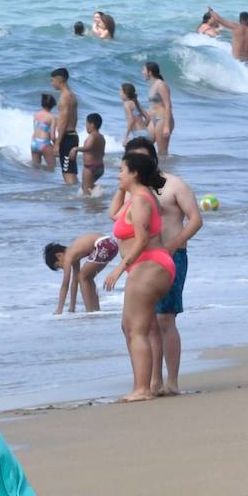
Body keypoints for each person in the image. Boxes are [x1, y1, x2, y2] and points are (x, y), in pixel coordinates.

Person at [125, 137, 202, 396]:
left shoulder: (173, 185)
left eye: (142, 158)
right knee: (146, 323)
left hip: (172, 256)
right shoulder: (133, 191)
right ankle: (153, 382)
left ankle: (172, 381)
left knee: (166, 320)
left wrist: (175, 243)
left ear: (153, 160)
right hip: (142, 263)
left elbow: (195, 219)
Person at [102, 153, 174, 402]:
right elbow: (114, 215)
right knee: (130, 326)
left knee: (137, 329)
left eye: (122, 170)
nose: (118, 174)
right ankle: (141, 386)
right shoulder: (136, 198)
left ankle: (143, 389)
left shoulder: (142, 200)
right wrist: (122, 189)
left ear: (134, 173)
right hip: (145, 267)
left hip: (151, 265)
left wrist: (119, 268)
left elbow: (143, 239)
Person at [44, 233, 117, 314]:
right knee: (87, 278)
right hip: (112, 244)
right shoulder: (74, 255)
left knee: (82, 277)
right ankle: (96, 310)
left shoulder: (68, 256)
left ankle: (89, 310)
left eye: (58, 265)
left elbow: (65, 284)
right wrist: (72, 307)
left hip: (103, 244)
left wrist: (59, 309)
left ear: (59, 255)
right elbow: (74, 281)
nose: (62, 268)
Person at [206, 3, 248, 67]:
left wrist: (211, 11)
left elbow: (218, 19)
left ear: (239, 20)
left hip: (236, 62)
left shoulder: (235, 27)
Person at [50, 68, 80, 186]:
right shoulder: (72, 95)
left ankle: (74, 200)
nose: (51, 83)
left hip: (67, 137)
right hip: (72, 135)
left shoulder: (64, 97)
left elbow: (65, 120)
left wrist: (57, 143)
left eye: (52, 80)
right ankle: (80, 195)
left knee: (68, 172)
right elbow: (75, 118)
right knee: (70, 170)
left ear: (59, 80)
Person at [69, 113, 106, 193]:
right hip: (100, 167)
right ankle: (97, 193)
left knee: (85, 189)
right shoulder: (101, 137)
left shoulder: (92, 136)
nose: (86, 126)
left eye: (86, 124)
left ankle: (96, 196)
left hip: (90, 167)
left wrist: (75, 149)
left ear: (92, 124)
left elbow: (88, 147)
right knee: (87, 186)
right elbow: (102, 153)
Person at [144, 62, 175, 157]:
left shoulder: (161, 85)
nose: (142, 72)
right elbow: (153, 107)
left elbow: (168, 105)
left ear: (149, 72)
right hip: (153, 120)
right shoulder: (152, 86)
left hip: (163, 119)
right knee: (145, 146)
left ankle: (164, 169)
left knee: (162, 152)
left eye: (143, 70)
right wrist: (145, 121)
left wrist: (166, 126)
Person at [31, 93, 57, 168]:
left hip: (34, 143)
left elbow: (35, 129)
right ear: (52, 105)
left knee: (35, 169)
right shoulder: (52, 117)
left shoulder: (35, 115)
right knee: (52, 168)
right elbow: (52, 137)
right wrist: (56, 146)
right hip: (44, 143)